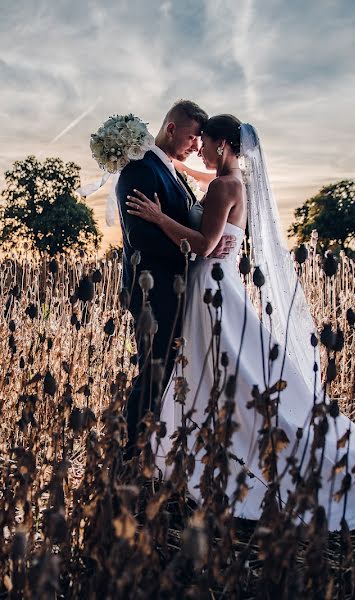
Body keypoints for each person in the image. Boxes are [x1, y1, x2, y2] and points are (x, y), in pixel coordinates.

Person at [125, 115, 355, 529]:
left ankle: (221, 451)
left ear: (223, 145)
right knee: (232, 373)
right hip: (222, 285)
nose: (198, 147)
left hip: (211, 286)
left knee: (232, 375)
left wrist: (158, 217)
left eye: (205, 142)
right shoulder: (235, 180)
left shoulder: (223, 186)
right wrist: (164, 160)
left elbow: (205, 246)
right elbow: (200, 178)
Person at [115, 100, 235, 460]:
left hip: (176, 287)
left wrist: (205, 245)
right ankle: (127, 456)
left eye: (202, 138)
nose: (197, 144)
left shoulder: (169, 170)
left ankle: (153, 451)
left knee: (166, 370)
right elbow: (141, 236)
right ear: (171, 129)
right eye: (193, 135)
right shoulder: (140, 169)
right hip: (153, 288)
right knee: (154, 370)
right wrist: (197, 252)